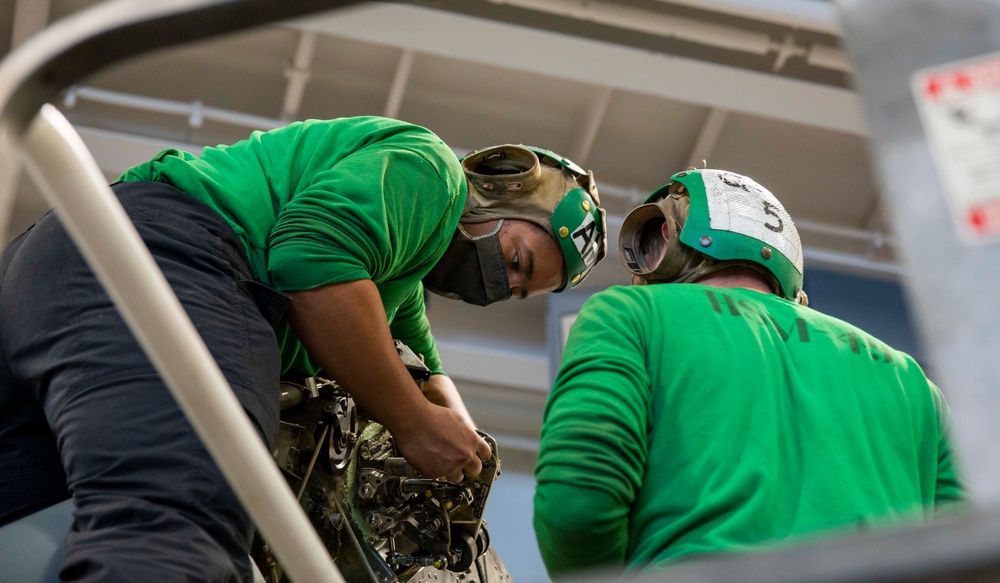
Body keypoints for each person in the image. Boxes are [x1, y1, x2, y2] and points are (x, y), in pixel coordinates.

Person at [0, 115, 607, 581]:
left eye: (523, 291)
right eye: (517, 261)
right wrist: (413, 422)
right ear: (497, 190)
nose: (506, 285)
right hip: (163, 259)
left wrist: (459, 441)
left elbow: (421, 365)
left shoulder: (397, 283)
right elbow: (312, 262)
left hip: (53, 272)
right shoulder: (433, 173)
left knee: (28, 527)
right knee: (186, 510)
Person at [532, 168, 963, 577]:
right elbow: (968, 552)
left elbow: (576, 507)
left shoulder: (630, 314)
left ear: (667, 237)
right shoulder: (912, 384)